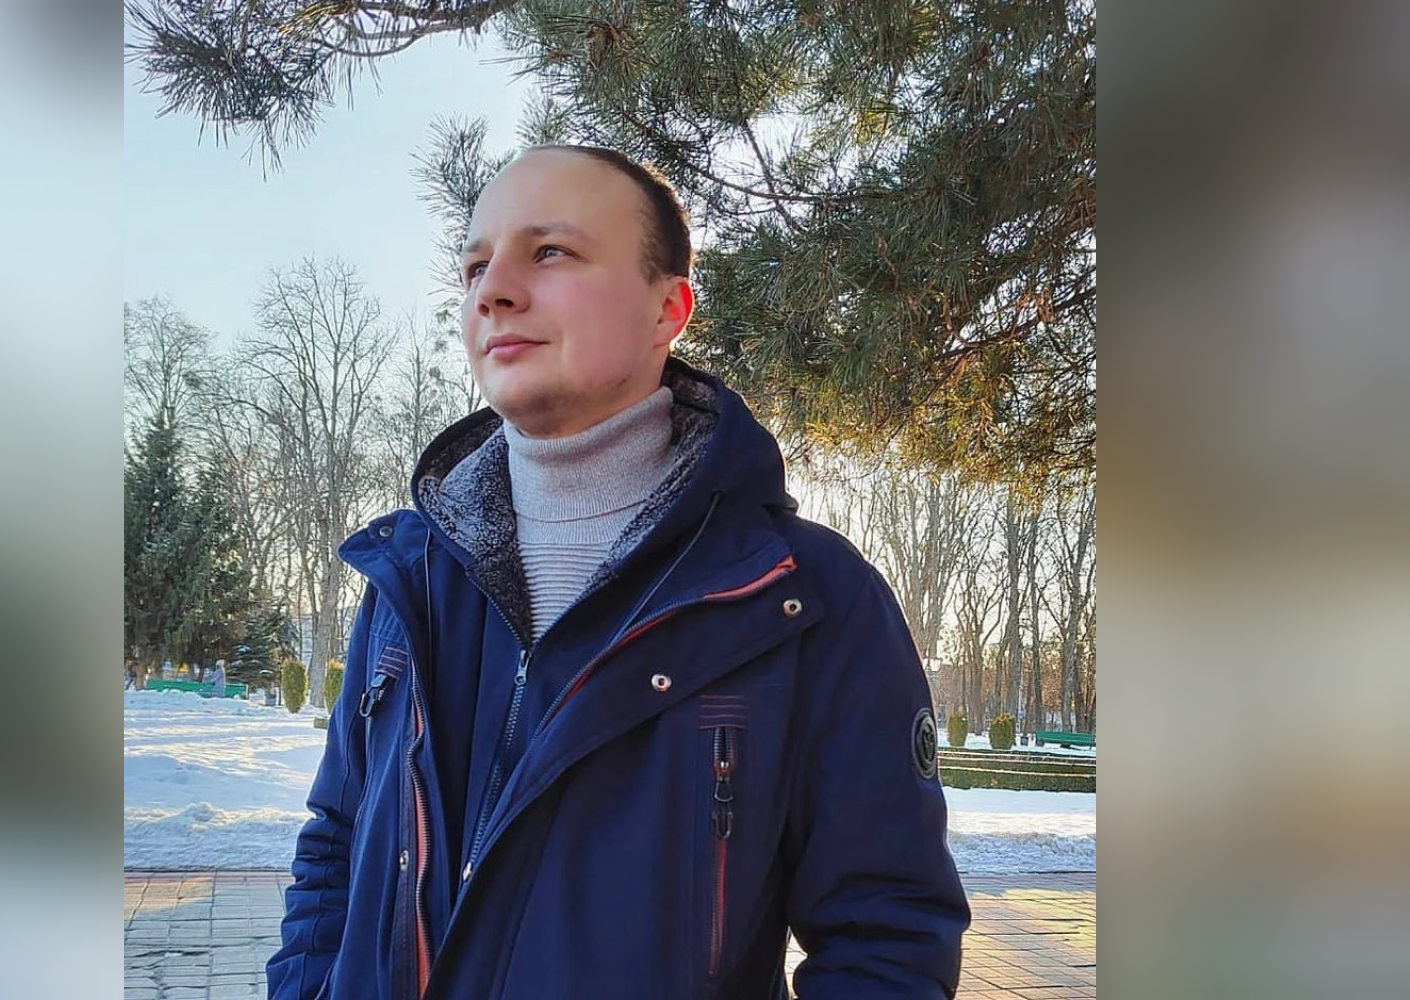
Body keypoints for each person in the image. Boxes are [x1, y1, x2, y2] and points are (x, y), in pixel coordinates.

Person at [269, 145, 968, 1000]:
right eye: (476, 265)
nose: (493, 291)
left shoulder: (804, 598)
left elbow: (887, 938)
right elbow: (336, 844)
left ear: (668, 307)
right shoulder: (406, 575)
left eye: (550, 251)